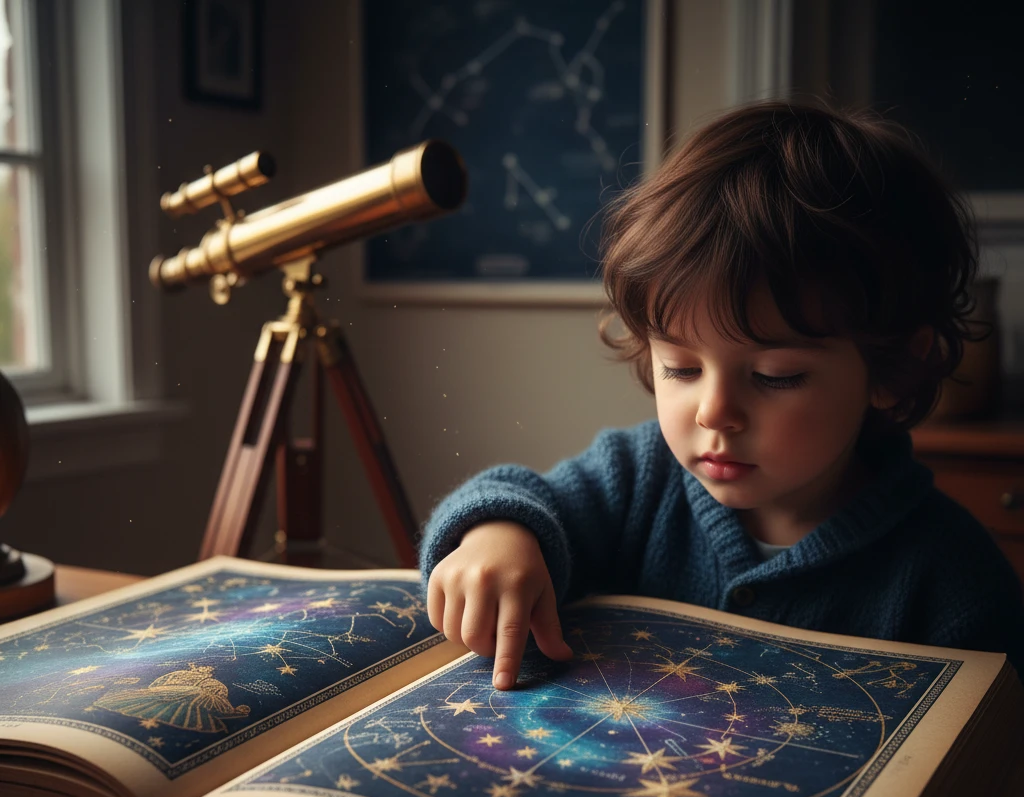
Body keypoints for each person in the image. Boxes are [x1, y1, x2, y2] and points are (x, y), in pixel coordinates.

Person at [420, 100, 1024, 690]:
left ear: (894, 370)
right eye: (682, 368)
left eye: (775, 376)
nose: (715, 413)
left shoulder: (954, 581)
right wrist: (499, 535)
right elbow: (518, 497)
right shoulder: (639, 478)